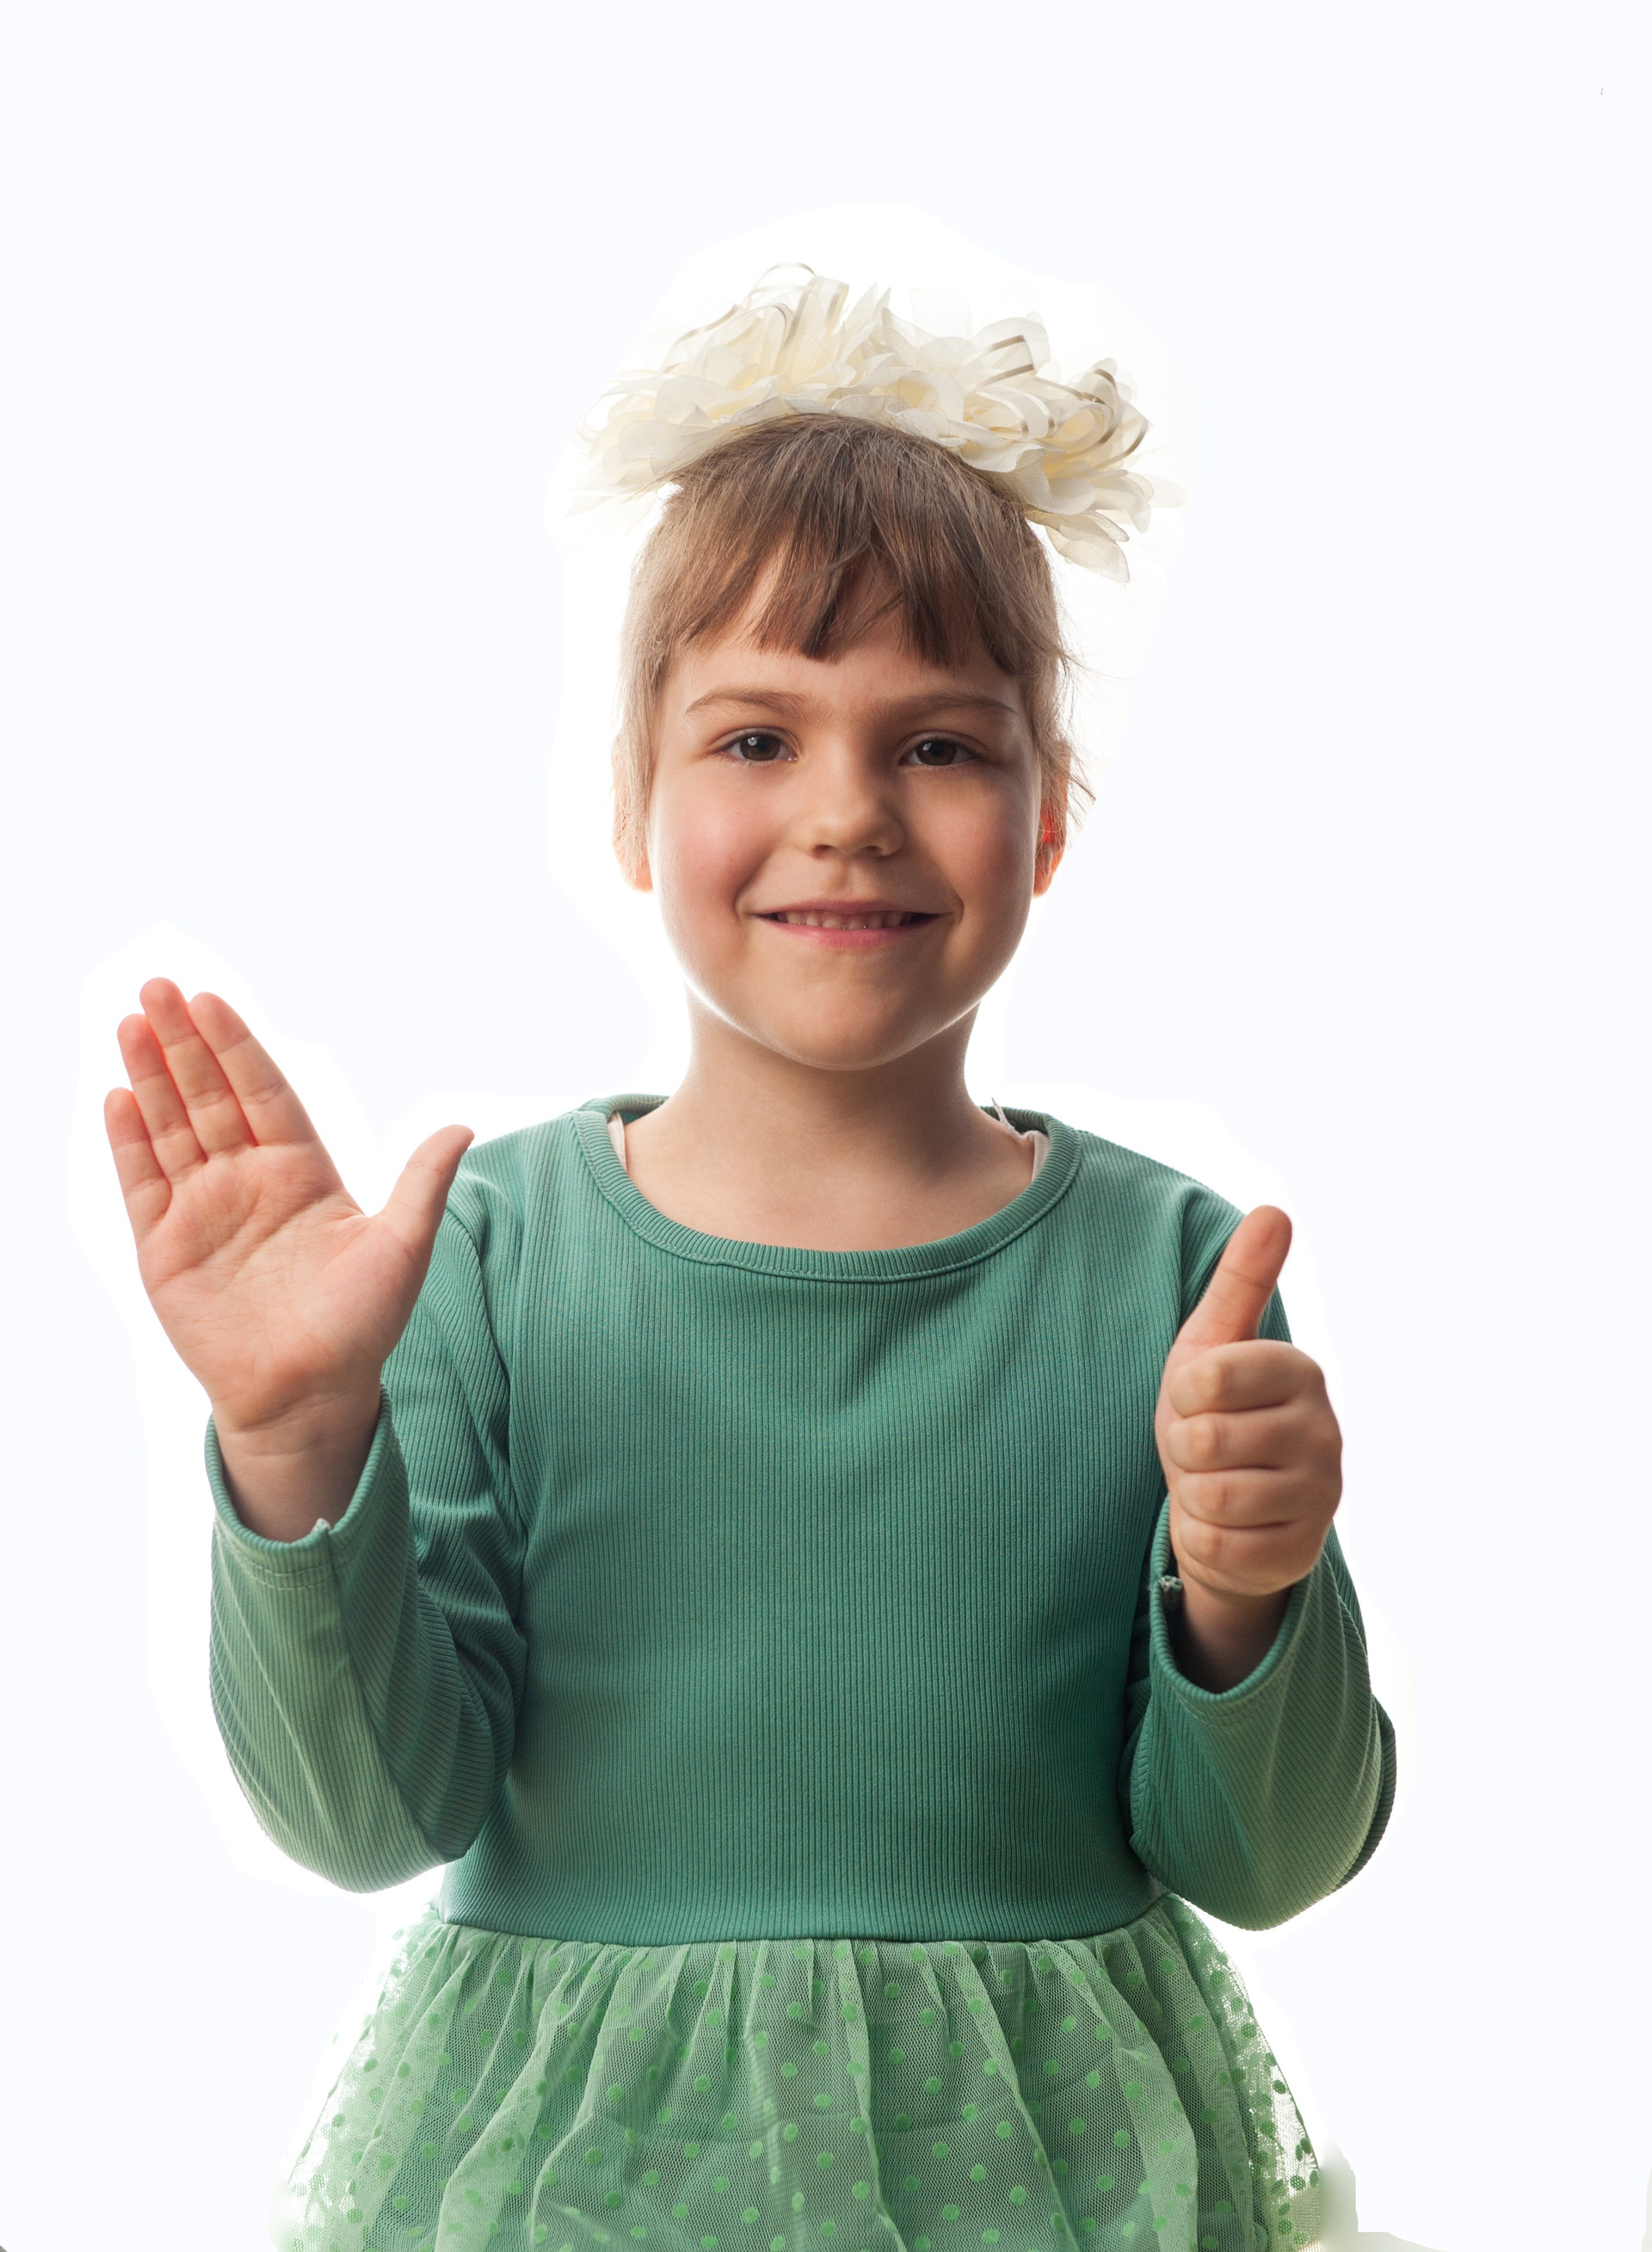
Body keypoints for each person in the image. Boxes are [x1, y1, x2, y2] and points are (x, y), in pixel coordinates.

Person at [105, 275, 1394, 2252]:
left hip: (1052, 2191)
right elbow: (367, 1815)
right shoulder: (485, 1262)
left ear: (1049, 820)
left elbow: (1273, 1857)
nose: (846, 814)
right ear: (633, 807)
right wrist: (293, 1443)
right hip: (582, 2190)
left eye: (938, 743)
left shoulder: (1175, 1279)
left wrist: (1246, 1589)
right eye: (759, 735)